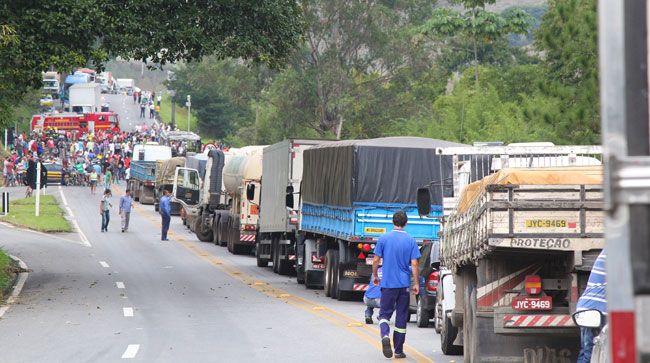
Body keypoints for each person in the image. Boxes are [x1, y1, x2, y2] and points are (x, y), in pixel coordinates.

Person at [372, 211, 420, 359]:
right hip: (404, 285)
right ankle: (398, 350)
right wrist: (416, 282)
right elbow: (414, 263)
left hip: (388, 283)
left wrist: (375, 275)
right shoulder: (411, 240)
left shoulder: (384, 238)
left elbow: (375, 260)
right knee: (401, 316)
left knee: (384, 314)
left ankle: (385, 335)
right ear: (406, 223)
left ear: (393, 222)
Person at [576, 249, 607, 363]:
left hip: (586, 308)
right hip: (598, 309)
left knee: (586, 353)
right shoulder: (620, 250)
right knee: (593, 353)